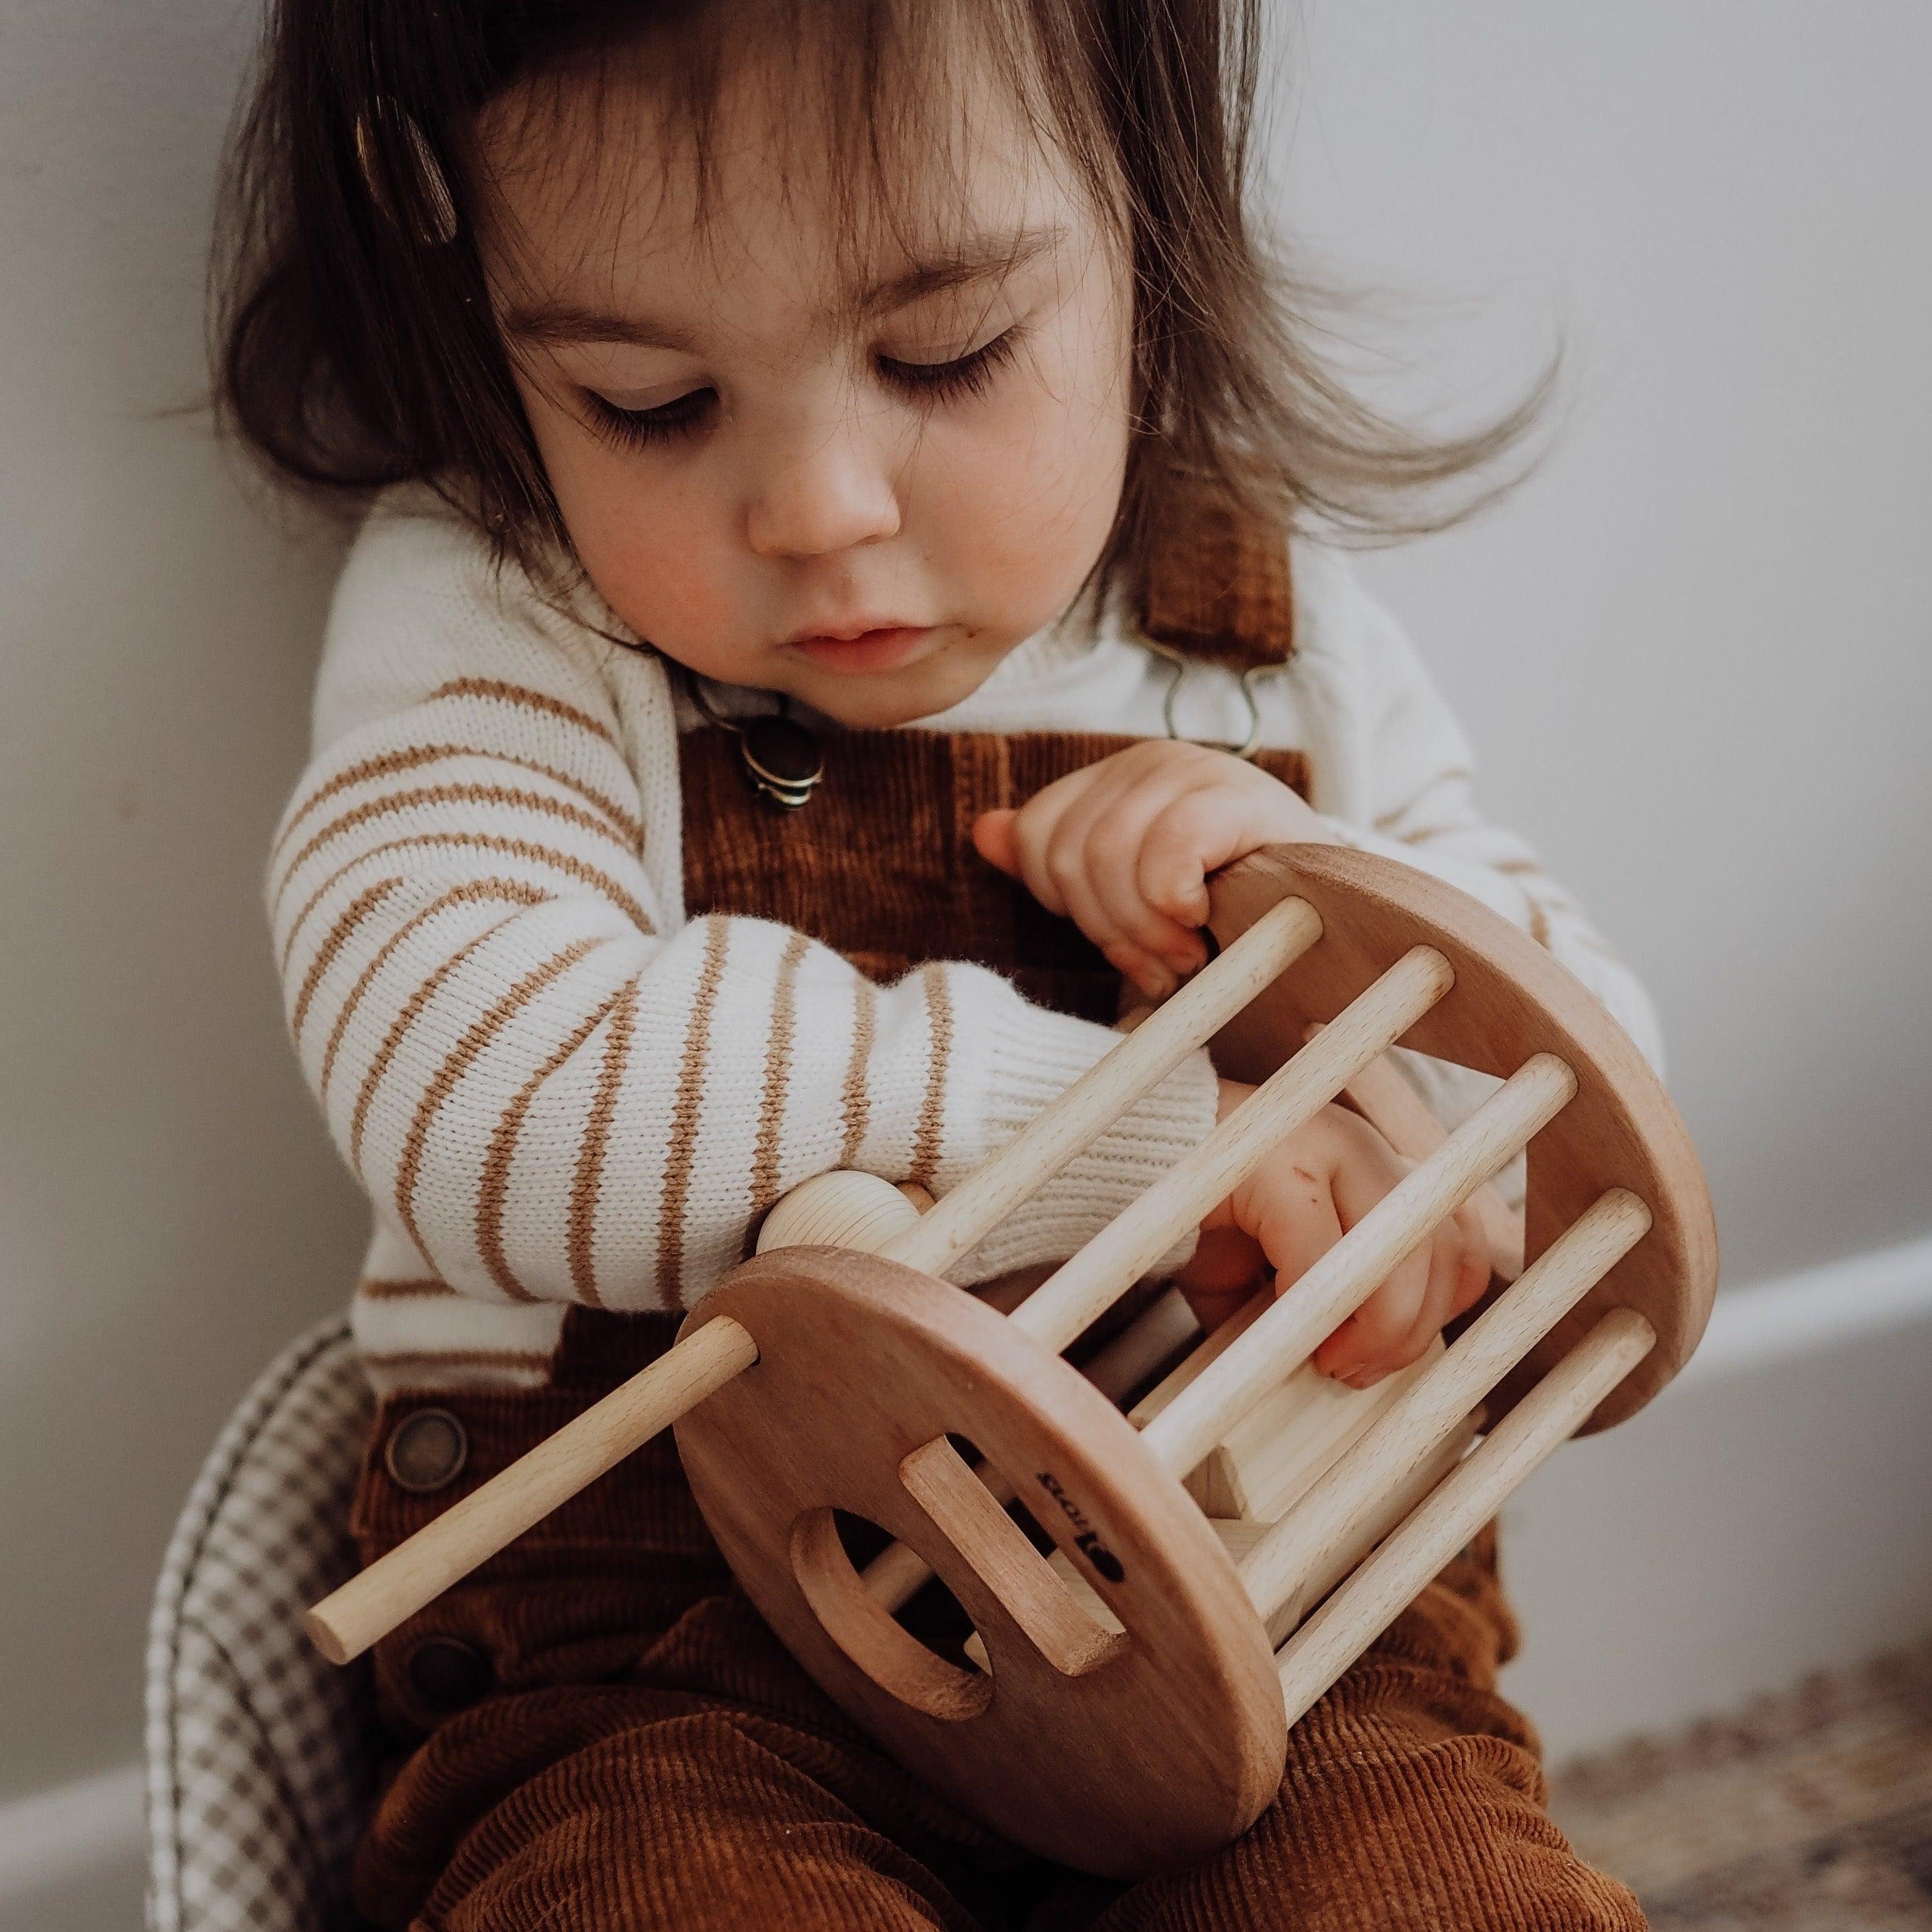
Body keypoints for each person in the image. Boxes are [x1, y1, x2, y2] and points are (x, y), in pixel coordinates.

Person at [220, 2, 1661, 1924]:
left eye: (943, 352)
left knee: (1442, 1893)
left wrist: (1310, 918)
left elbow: (1586, 1130)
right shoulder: (506, 612)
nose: (817, 509)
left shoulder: (1258, 634)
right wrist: (1135, 1133)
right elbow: (478, 1080)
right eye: (649, 398)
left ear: (1143, 225)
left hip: (1277, 1626)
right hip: (660, 1652)